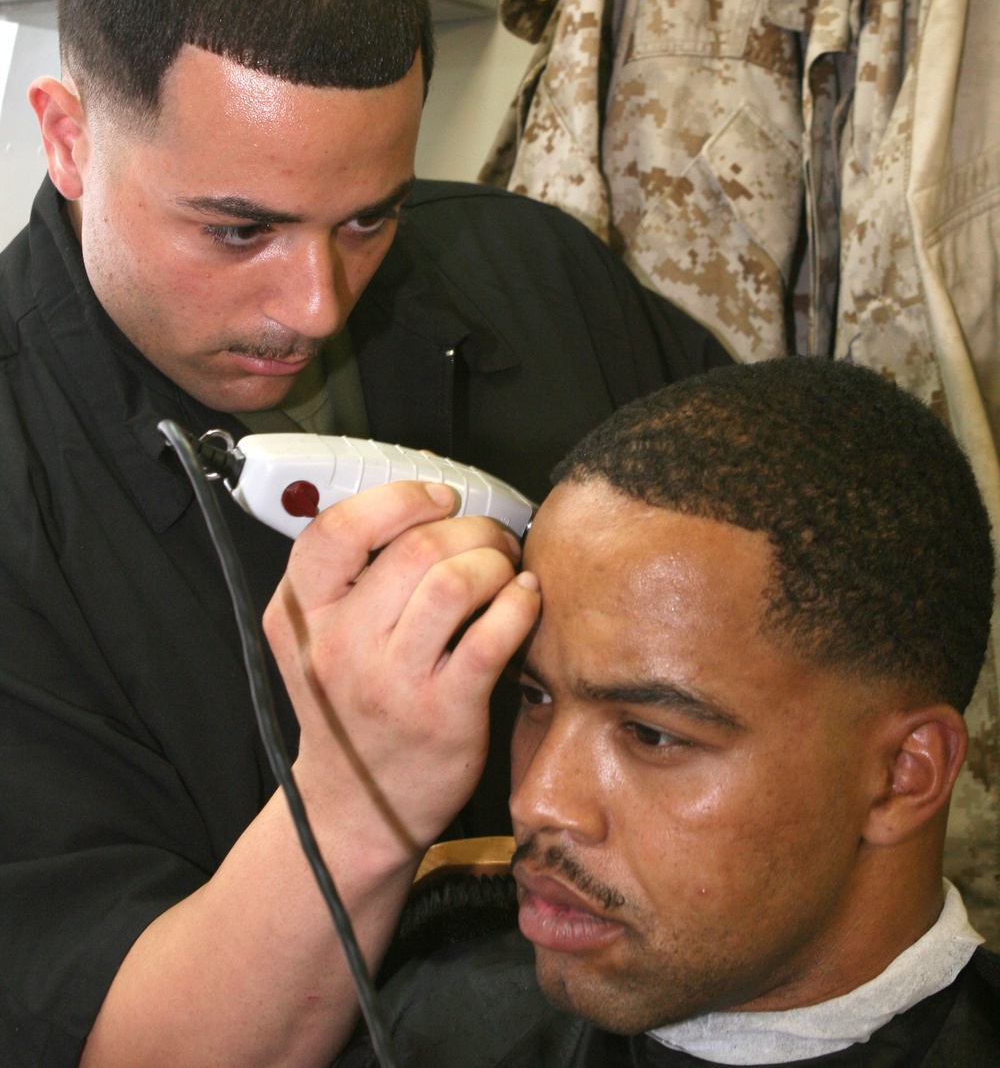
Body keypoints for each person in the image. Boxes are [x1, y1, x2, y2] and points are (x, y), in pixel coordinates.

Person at [0, 0, 727, 1066]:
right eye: (239, 230)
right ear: (68, 137)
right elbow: (130, 1044)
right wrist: (356, 786)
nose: (316, 303)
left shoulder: (539, 280)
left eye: (367, 218)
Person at [327, 358, 1000, 1067]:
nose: (536, 800)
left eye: (652, 734)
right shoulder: (428, 1026)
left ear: (903, 774)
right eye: (535, 696)